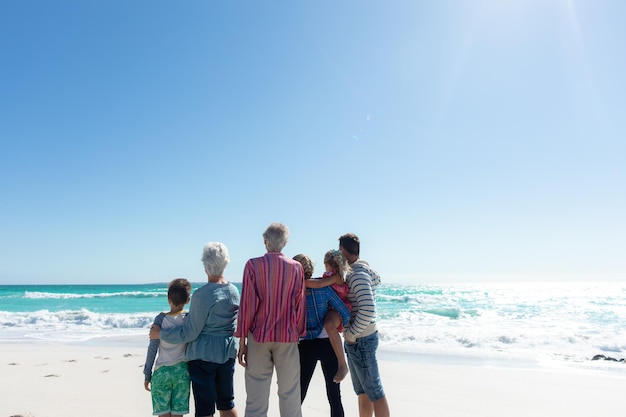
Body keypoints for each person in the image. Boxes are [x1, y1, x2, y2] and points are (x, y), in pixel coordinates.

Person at [150, 242, 240, 417]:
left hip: (203, 357)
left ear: (206, 267)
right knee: (227, 403)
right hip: (227, 352)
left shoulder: (201, 295)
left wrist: (160, 334)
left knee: (205, 409)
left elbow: (189, 333)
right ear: (226, 263)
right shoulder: (234, 291)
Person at [235, 223, 306, 417]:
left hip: (259, 337)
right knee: (290, 396)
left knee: (256, 399)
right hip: (288, 336)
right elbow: (300, 305)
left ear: (265, 242)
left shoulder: (252, 265)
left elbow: (247, 305)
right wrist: (298, 333)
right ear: (285, 243)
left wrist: (242, 341)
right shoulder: (297, 267)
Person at [339, 233, 391, 417]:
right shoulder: (359, 272)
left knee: (374, 391)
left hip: (361, 339)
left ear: (344, 251)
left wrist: (351, 334)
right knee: (363, 392)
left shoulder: (358, 275)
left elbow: (368, 309)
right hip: (360, 339)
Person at [293, 254, 351, 417]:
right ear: (310, 270)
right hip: (328, 344)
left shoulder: (290, 292)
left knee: (298, 394)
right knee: (334, 396)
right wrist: (334, 319)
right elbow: (345, 312)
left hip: (305, 346)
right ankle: (343, 365)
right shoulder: (324, 288)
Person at [144, 278, 192, 417]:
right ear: (188, 300)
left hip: (162, 373)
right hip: (182, 373)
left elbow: (152, 349)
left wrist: (147, 374)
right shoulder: (188, 319)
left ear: (168, 298)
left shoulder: (160, 320)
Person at [304, 249, 352, 383]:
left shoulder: (337, 277)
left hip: (337, 309)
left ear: (327, 264)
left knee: (329, 325)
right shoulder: (329, 276)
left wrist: (299, 281)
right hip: (330, 308)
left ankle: (343, 365)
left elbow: (318, 284)